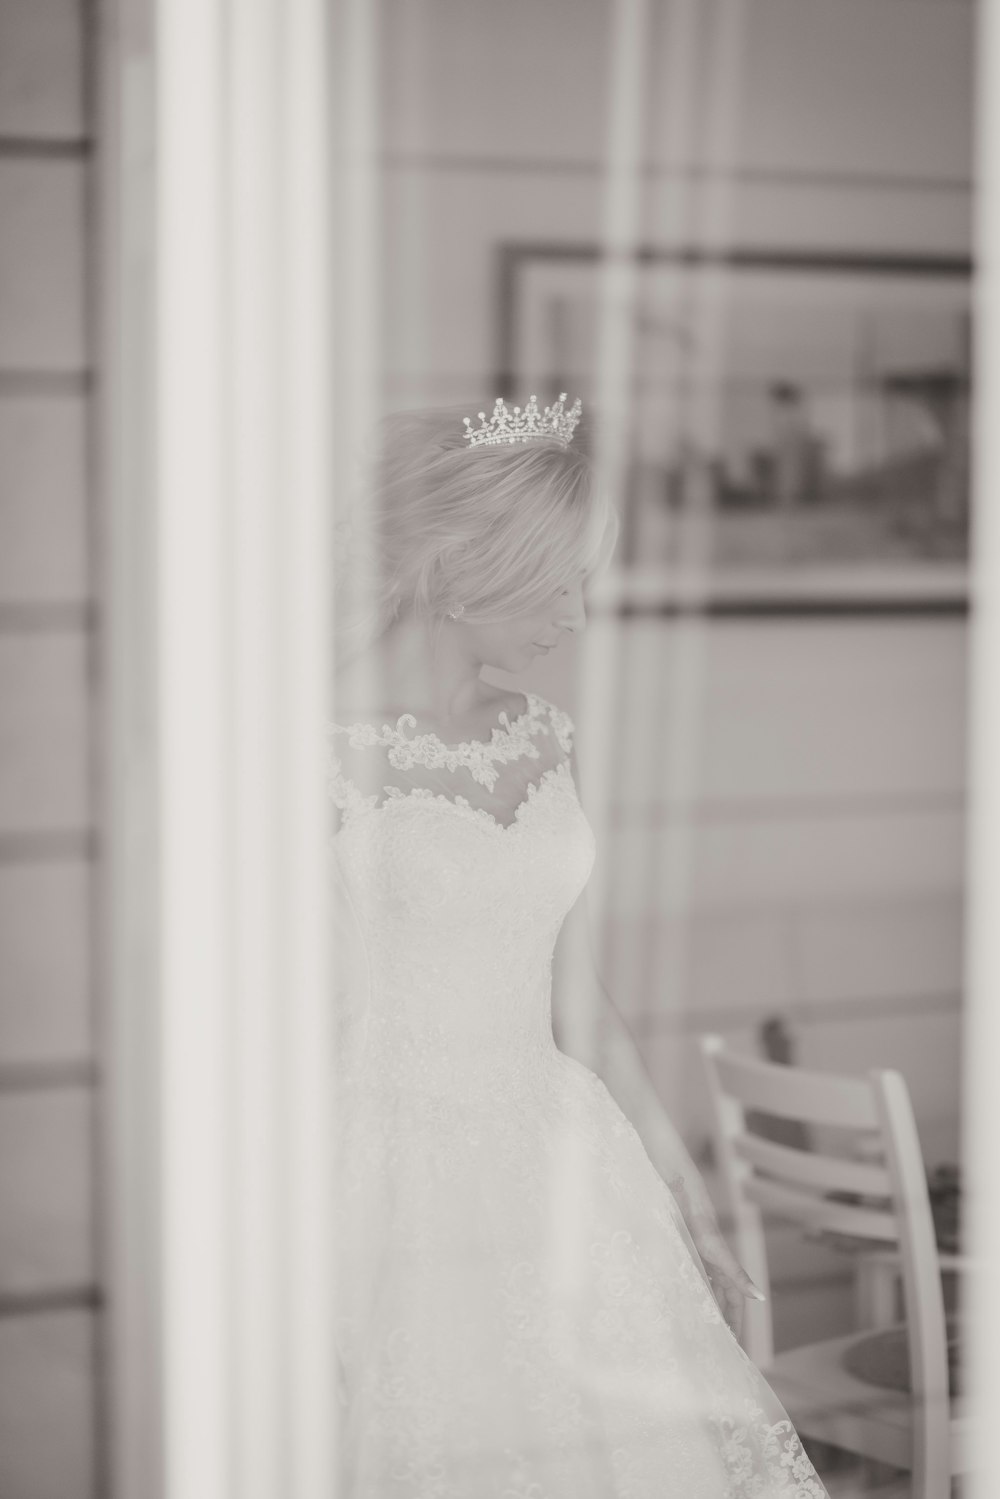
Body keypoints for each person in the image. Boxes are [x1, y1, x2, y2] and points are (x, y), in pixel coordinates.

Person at [327, 395, 829, 1497]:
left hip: (562, 1149)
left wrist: (678, 1177)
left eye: (584, 584)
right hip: (387, 1164)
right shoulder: (310, 750)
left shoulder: (542, 732)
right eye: (556, 584)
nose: (577, 619)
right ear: (462, 571)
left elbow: (580, 990)